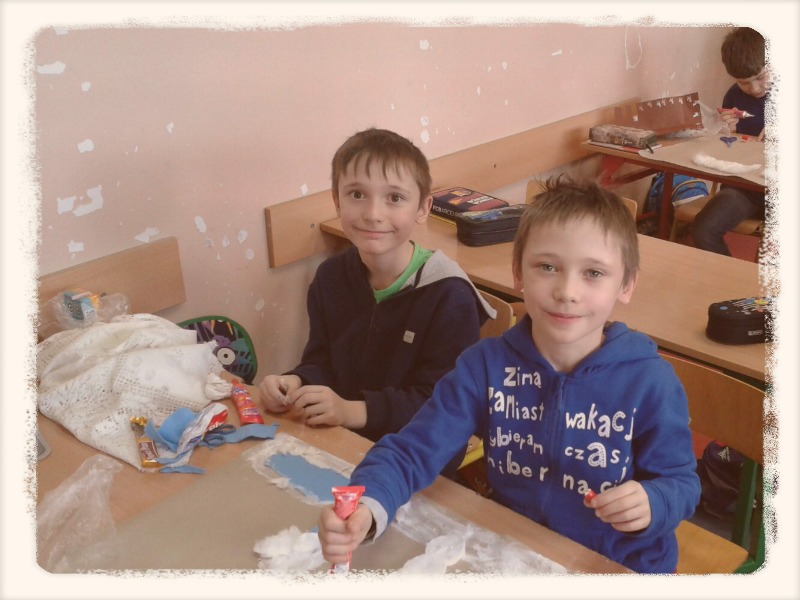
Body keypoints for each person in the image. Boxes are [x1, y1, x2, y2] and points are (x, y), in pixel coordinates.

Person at [317, 176, 701, 574]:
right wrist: (367, 506)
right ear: (518, 272)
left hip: (618, 566)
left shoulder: (650, 382)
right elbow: (413, 449)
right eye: (547, 267)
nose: (567, 291)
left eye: (593, 273)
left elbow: (681, 484)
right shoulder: (485, 367)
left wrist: (653, 501)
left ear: (626, 285)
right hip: (515, 555)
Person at [258, 128, 495, 475]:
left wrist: (351, 411)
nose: (373, 213)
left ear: (423, 208)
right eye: (357, 194)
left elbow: (443, 406)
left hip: (419, 457)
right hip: (344, 440)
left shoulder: (449, 295)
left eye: (394, 198)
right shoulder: (330, 278)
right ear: (337, 201)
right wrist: (295, 383)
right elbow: (322, 360)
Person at [692, 27, 770, 255]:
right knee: (703, 229)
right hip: (745, 188)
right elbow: (729, 150)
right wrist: (726, 133)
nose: (754, 88)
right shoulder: (733, 96)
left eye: (761, 77)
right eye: (744, 82)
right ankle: (730, 278)